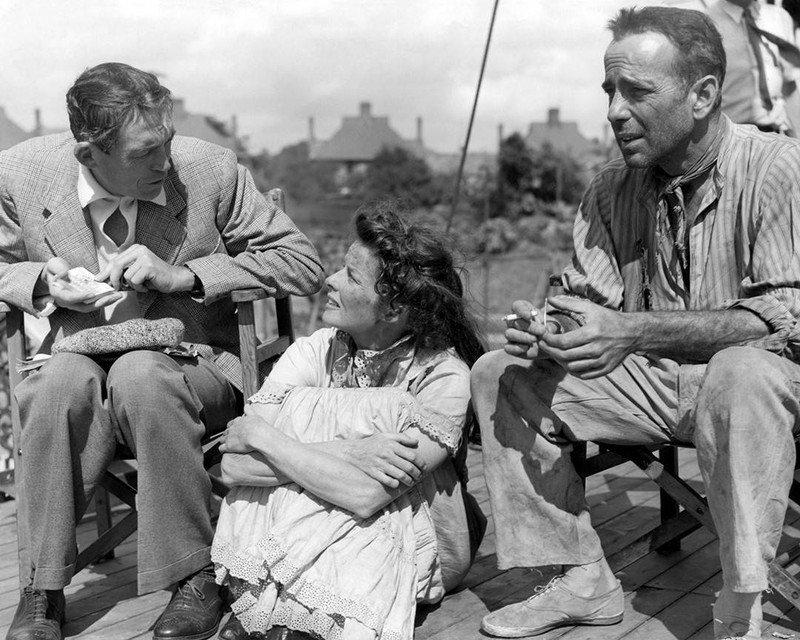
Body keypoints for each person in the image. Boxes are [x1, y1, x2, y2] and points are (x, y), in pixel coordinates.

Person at [472, 6, 800, 640]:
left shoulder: (778, 168)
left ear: (703, 94)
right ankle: (579, 578)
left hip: (764, 391)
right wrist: (547, 329)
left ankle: (742, 608)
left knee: (739, 371)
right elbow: (587, 302)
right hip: (654, 385)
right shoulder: (608, 191)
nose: (615, 111)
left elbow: (780, 322)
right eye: (609, 91)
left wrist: (632, 331)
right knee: (500, 373)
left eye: (638, 91)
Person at [0, 62, 324, 640]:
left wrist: (185, 276)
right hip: (76, 359)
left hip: (192, 364)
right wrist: (42, 282)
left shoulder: (210, 170)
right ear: (88, 155)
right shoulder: (23, 172)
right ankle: (41, 586)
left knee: (141, 375)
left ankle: (194, 575)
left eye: (166, 141)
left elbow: (302, 263)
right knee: (56, 385)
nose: (165, 162)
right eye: (146, 152)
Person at [210, 203, 486, 640]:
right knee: (304, 479)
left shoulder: (444, 377)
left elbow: (365, 494)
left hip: (418, 535)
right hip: (321, 517)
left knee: (331, 492)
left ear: (393, 309)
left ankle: (289, 611)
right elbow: (234, 467)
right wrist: (349, 451)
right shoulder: (312, 350)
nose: (329, 282)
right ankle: (289, 612)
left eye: (352, 276)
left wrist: (266, 436)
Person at [706, 0, 800, 134]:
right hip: (733, 137)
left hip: (776, 134)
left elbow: (789, 87)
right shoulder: (708, 25)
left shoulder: (779, 17)